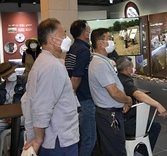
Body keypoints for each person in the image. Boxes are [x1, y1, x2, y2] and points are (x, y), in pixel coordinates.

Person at [21, 18, 79, 155]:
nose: (67, 38)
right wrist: (38, 139)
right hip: (59, 139)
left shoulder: (44, 61)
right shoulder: (52, 66)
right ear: (53, 39)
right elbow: (42, 107)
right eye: (64, 34)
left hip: (56, 136)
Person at [88, 28, 132, 156]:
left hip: (110, 113)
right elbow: (114, 92)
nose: (112, 41)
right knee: (116, 151)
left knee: (113, 149)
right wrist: (128, 99)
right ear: (101, 43)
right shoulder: (99, 64)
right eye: (109, 38)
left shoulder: (103, 61)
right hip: (109, 115)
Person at [116, 56, 167, 155]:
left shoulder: (118, 78)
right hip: (127, 123)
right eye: (132, 67)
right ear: (127, 69)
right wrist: (158, 104)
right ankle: (143, 151)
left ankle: (138, 149)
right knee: (155, 127)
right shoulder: (126, 81)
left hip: (119, 120)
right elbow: (138, 94)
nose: (133, 69)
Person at [65, 20, 96, 156]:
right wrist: (71, 96)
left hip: (78, 98)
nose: (89, 33)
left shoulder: (74, 48)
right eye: (88, 30)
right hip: (84, 99)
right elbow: (76, 77)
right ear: (84, 33)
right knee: (89, 139)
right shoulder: (83, 50)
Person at [0, 62, 26, 134]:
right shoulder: (1, 87)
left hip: (21, 113)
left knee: (21, 122)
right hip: (6, 116)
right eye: (9, 74)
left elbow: (27, 100)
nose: (12, 74)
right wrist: (5, 116)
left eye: (12, 72)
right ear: (4, 77)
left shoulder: (23, 81)